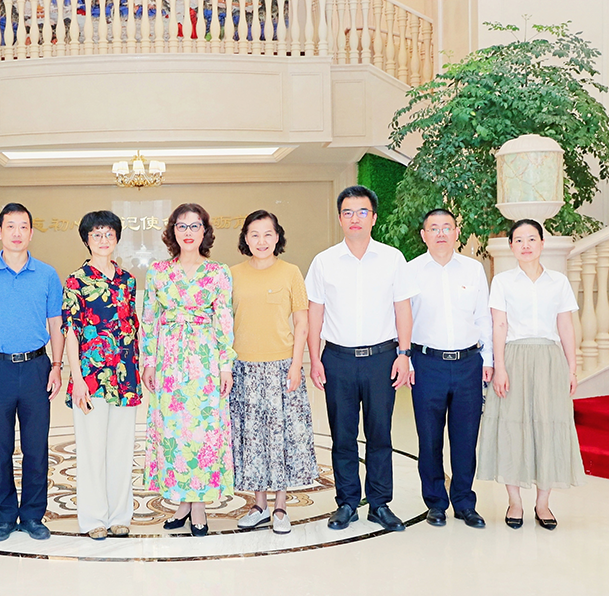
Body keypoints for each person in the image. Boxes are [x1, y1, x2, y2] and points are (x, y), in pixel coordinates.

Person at [305, 185, 416, 533]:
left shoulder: (392, 259)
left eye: (362, 212)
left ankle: (380, 504)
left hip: (382, 358)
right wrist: (315, 359)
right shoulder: (324, 262)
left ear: (374, 218)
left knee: (380, 434)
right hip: (337, 359)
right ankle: (347, 503)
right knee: (342, 435)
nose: (355, 218)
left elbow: (403, 309)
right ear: (340, 218)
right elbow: (314, 314)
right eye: (348, 212)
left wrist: (404, 355)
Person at [477, 218, 585, 530]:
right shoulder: (503, 282)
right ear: (511, 246)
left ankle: (543, 503)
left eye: (532, 239)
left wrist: (572, 368)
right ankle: (514, 501)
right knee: (511, 425)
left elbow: (566, 326)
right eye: (519, 240)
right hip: (514, 357)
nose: (526, 245)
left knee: (549, 426)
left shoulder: (558, 282)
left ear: (542, 243)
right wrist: (499, 366)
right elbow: (499, 325)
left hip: (550, 359)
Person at [0, 203, 64, 542]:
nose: (17, 233)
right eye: (11, 226)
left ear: (31, 233)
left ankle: (34, 515)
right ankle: (5, 516)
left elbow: (56, 323)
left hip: (37, 367)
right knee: (0, 447)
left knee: (36, 448)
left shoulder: (47, 274)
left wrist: (56, 366)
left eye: (23, 227)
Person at [142, 203, 236, 537]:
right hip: (169, 363)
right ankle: (182, 501)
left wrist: (225, 365)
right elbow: (149, 320)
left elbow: (224, 320)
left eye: (195, 226)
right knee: (175, 433)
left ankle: (198, 505)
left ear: (205, 232)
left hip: (205, 361)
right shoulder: (157, 272)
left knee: (203, 433)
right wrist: (148, 362)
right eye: (181, 226)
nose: (188, 232)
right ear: (172, 232)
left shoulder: (218, 272)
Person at [230, 210, 318, 535]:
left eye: (268, 234)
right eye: (254, 234)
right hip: (244, 368)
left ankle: (280, 507)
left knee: (281, 438)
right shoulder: (232, 274)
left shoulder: (291, 273)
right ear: (245, 238)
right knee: (253, 439)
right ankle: (259, 505)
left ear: (277, 237)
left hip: (282, 366)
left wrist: (297, 365)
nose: (261, 241)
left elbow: (302, 322)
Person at [408, 208, 492, 529]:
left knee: (465, 437)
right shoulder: (411, 271)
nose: (441, 233)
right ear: (424, 235)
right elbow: (402, 319)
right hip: (426, 364)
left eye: (447, 227)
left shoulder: (473, 269)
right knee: (429, 438)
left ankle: (464, 502)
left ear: (457, 232)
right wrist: (405, 358)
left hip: (469, 363)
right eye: (434, 228)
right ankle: (435, 503)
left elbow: (483, 317)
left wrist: (488, 360)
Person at [62, 211, 142, 540]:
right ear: (86, 240)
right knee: (92, 450)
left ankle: (120, 516)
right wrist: (77, 378)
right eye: (96, 234)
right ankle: (93, 519)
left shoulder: (127, 281)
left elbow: (132, 326)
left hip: (125, 377)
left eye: (109, 233)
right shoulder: (76, 281)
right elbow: (71, 331)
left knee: (122, 450)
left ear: (117, 238)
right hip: (91, 378)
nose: (103, 239)